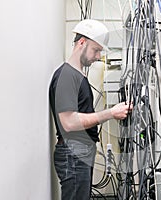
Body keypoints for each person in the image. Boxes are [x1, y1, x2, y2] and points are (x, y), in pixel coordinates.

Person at [49, 19, 132, 200]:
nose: (97, 57)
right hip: (73, 154)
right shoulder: (66, 76)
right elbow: (69, 122)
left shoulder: (76, 76)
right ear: (82, 42)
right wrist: (110, 113)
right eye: (96, 50)